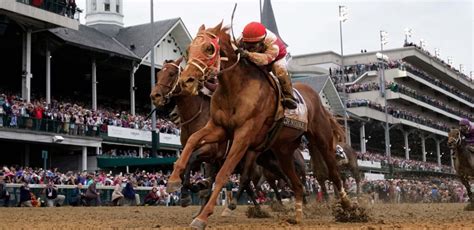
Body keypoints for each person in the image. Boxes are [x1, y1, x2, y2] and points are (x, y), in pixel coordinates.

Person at [238, 22, 297, 109]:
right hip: (257, 57)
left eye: (253, 46)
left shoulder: (273, 44)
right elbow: (232, 45)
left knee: (280, 69)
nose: (249, 48)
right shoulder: (241, 38)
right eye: (247, 44)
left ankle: (289, 96)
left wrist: (248, 54)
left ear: (262, 41)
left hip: (274, 59)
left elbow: (265, 60)